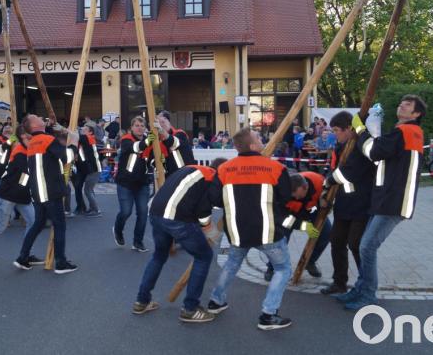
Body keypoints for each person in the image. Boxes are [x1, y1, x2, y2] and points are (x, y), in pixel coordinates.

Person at [206, 128, 317, 331]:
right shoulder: (276, 168)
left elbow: (214, 200)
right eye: (258, 137)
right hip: (268, 232)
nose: (262, 139)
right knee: (282, 269)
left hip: (237, 232)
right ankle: (268, 315)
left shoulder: (224, 170)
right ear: (252, 145)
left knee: (231, 264)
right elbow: (285, 199)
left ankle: (215, 301)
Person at [337, 95, 426, 310]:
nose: (401, 105)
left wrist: (360, 130)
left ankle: (367, 294)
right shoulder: (406, 133)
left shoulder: (405, 132)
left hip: (392, 202)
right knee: (364, 245)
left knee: (367, 247)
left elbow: (373, 152)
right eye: (401, 102)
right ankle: (360, 289)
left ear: (416, 114)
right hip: (387, 200)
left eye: (407, 105)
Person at [133, 159, 227, 323]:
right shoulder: (211, 176)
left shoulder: (190, 169)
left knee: (159, 256)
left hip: (156, 213)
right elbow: (203, 211)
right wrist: (209, 230)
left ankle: (142, 301)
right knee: (203, 256)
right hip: (178, 219)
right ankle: (190, 309)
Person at [318, 111, 375, 295]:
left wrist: (329, 181)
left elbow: (348, 173)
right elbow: (334, 169)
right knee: (337, 241)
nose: (334, 134)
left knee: (356, 245)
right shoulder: (340, 147)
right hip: (343, 204)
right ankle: (339, 282)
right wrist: (326, 189)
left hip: (362, 205)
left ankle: (366, 285)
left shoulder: (360, 146)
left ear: (349, 129)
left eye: (336, 130)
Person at [15, 114, 80, 274]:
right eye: (36, 117)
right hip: (51, 191)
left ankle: (22, 257)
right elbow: (67, 157)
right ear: (34, 125)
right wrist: (74, 141)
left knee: (38, 224)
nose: (39, 117)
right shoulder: (46, 140)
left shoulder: (33, 142)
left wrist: (57, 129)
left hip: (38, 192)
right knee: (59, 226)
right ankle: (61, 263)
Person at [0, 125, 38, 263]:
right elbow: (25, 174)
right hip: (7, 192)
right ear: (22, 136)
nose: (32, 139)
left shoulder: (25, 149)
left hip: (20, 194)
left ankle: (25, 253)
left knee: (33, 222)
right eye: (29, 136)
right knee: (1, 225)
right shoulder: (15, 149)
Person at [264, 171, 332, 281]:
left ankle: (310, 262)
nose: (295, 197)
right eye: (293, 194)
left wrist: (325, 199)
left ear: (305, 187)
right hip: (290, 215)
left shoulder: (318, 181)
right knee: (281, 238)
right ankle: (272, 267)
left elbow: (330, 189)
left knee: (326, 233)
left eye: (297, 194)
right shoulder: (282, 193)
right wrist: (303, 226)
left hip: (312, 209)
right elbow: (282, 219)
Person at [114, 116, 155, 252]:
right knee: (126, 212)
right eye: (137, 125)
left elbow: (154, 157)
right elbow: (134, 148)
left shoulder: (149, 140)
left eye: (142, 126)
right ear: (131, 127)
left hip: (142, 183)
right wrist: (148, 141)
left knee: (143, 213)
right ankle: (118, 230)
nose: (139, 128)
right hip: (125, 182)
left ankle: (138, 242)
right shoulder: (126, 139)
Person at [73, 124, 103, 217]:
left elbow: (76, 136)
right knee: (89, 190)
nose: (82, 129)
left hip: (94, 169)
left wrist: (66, 130)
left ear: (90, 132)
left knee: (88, 190)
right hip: (91, 168)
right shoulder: (87, 139)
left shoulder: (88, 138)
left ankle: (96, 210)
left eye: (85, 129)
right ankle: (92, 208)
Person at [156, 110, 195, 176]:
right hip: (169, 175)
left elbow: (174, 143)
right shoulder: (158, 140)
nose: (161, 124)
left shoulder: (180, 134)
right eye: (158, 122)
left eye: (163, 121)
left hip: (185, 173)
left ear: (169, 122)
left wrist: (162, 131)